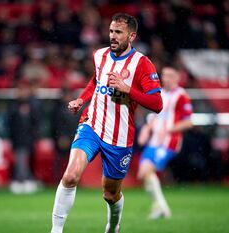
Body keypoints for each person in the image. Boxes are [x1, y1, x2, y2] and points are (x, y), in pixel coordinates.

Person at [50, 13, 163, 233]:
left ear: (131, 36)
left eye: (118, 32)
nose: (112, 36)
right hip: (92, 125)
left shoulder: (142, 64)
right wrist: (82, 100)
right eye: (111, 31)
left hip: (119, 136)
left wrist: (128, 89)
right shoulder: (100, 55)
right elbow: (96, 80)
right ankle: (56, 230)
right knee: (70, 175)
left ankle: (113, 225)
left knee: (110, 193)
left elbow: (157, 103)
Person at [137, 66, 193, 219]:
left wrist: (169, 129)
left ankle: (162, 208)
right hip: (154, 142)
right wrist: (146, 129)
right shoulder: (161, 94)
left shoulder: (181, 96)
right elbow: (156, 117)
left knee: (147, 170)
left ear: (176, 77)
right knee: (143, 173)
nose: (165, 78)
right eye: (163, 75)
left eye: (169, 75)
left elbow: (188, 123)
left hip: (169, 142)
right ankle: (159, 207)